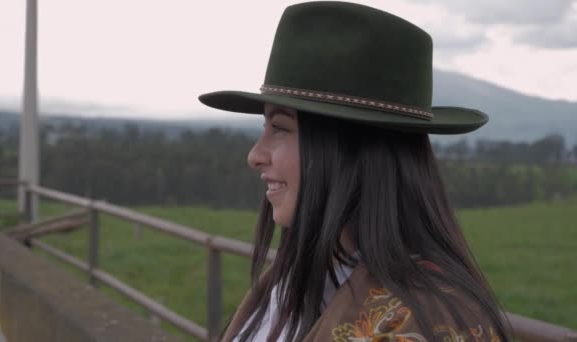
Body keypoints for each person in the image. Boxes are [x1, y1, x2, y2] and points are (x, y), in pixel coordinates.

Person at [199, 2, 512, 341]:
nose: (255, 156)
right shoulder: (288, 282)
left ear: (351, 149)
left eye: (281, 127)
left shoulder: (432, 321)